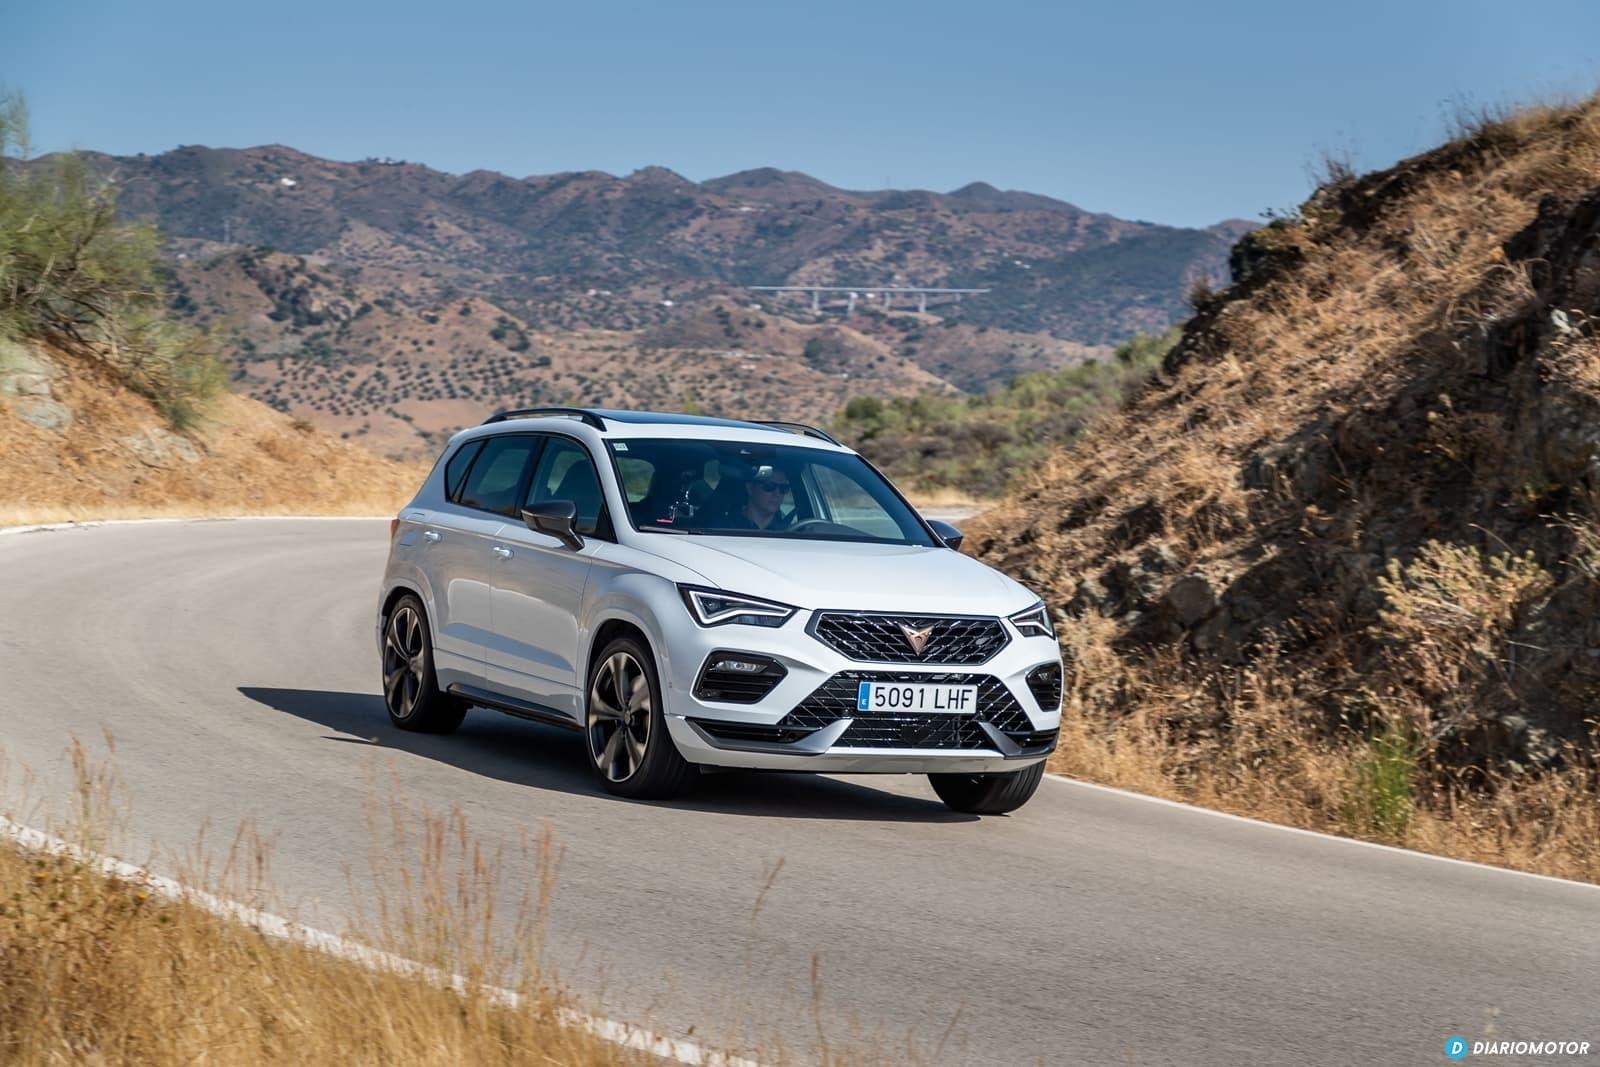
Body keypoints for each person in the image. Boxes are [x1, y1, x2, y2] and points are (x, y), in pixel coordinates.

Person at [726, 465, 794, 531]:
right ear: (750, 488)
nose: (777, 494)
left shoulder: (791, 532)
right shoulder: (724, 528)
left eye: (783, 488)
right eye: (769, 486)